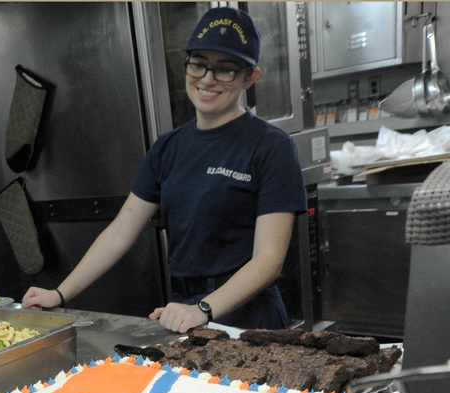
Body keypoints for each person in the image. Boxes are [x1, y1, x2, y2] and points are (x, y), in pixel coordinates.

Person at [22, 7, 307, 332]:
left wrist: (204, 309)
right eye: (199, 64)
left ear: (249, 77)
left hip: (248, 319)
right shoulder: (168, 148)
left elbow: (268, 260)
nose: (207, 79)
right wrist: (60, 293)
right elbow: (121, 231)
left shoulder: (272, 146)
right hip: (182, 314)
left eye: (225, 69)